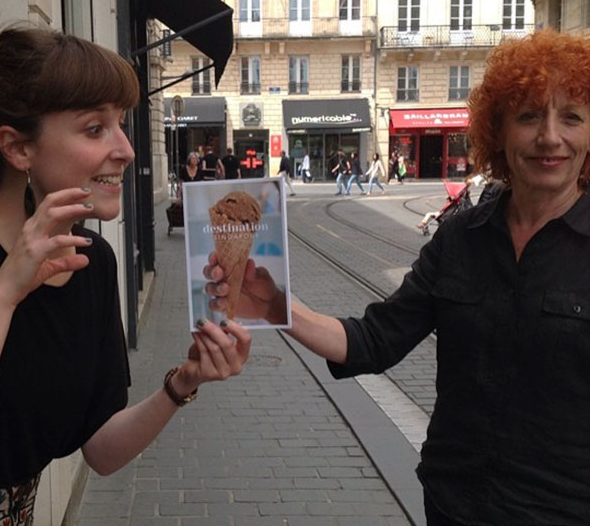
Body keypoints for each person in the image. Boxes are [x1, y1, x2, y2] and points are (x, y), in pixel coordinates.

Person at [203, 30, 590, 525]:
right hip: (454, 504)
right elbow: (376, 339)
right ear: (499, 131)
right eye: (529, 116)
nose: (550, 137)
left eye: (572, 117)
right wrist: (276, 304)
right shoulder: (461, 239)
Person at [0, 25, 251, 521]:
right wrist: (5, 292)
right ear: (19, 148)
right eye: (95, 128)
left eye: (121, 123)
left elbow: (100, 449)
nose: (125, 149)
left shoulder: (92, 262)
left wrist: (182, 383)